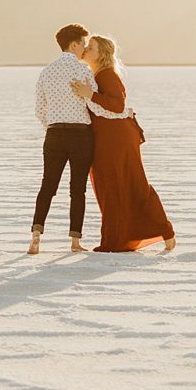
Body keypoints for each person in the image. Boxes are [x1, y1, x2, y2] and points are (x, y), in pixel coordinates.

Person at [71, 35, 176, 253]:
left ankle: (154, 233)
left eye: (91, 48)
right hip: (108, 137)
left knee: (123, 184)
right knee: (115, 185)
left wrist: (89, 94)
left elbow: (117, 105)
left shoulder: (107, 75)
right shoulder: (96, 75)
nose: (86, 50)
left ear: (102, 54)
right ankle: (119, 238)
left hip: (116, 139)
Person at [29, 23, 98, 255]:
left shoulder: (46, 72)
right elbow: (94, 104)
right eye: (84, 45)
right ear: (74, 44)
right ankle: (75, 241)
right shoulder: (82, 70)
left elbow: (40, 110)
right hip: (80, 135)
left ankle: (36, 234)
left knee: (47, 186)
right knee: (77, 189)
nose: (85, 50)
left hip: (54, 134)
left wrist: (52, 126)